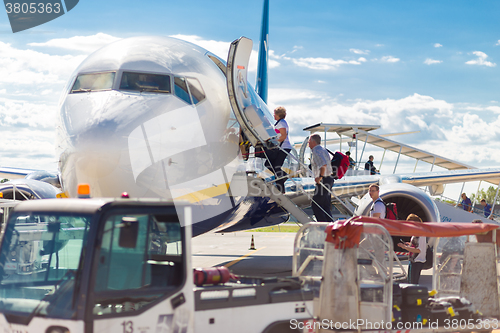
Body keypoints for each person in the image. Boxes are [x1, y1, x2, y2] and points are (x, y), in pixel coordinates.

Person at [264, 106, 293, 193]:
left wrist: (274, 141)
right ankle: (283, 176)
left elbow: (283, 136)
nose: (273, 115)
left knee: (276, 167)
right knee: (268, 164)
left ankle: (281, 188)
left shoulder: (282, 123)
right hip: (281, 147)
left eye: (274, 114)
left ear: (277, 114)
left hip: (284, 147)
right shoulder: (279, 123)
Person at [308, 134, 334, 222]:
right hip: (329, 179)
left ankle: (323, 227)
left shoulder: (316, 151)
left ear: (313, 142)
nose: (308, 144)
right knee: (325, 205)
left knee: (316, 205)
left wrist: (320, 177)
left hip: (323, 180)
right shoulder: (323, 149)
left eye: (309, 142)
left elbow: (323, 164)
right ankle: (331, 226)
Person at [398, 214, 426, 284]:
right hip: (413, 260)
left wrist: (405, 247)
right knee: (410, 281)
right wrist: (409, 244)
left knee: (413, 282)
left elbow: (419, 250)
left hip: (417, 261)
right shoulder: (415, 233)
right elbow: (415, 245)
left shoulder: (421, 234)